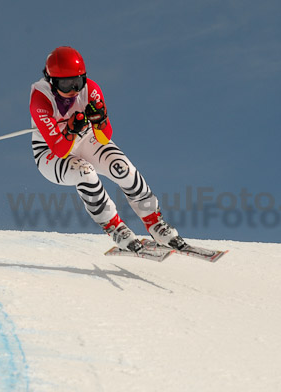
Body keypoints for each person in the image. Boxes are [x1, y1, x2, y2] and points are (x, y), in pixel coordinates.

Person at [29, 46, 187, 253]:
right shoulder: (41, 100)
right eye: (65, 84)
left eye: (78, 82)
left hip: (85, 139)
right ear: (52, 81)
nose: (73, 91)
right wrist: (69, 131)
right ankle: (114, 225)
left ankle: (154, 221)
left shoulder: (91, 90)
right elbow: (60, 150)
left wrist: (100, 121)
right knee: (86, 174)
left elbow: (105, 137)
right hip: (51, 152)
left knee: (122, 168)